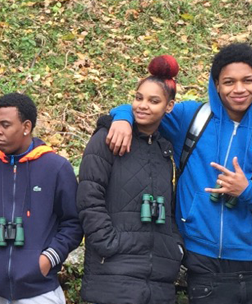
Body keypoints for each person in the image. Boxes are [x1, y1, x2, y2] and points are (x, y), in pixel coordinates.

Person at [104, 43, 252, 303]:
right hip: (202, 260)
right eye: (229, 82)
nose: (239, 89)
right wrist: (121, 118)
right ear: (217, 85)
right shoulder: (192, 117)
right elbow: (146, 107)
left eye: (248, 81)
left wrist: (246, 190)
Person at [77, 55, 185, 304]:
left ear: (169, 107)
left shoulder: (165, 151)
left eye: (153, 100)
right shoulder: (108, 139)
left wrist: (174, 247)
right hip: (113, 275)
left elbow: (170, 209)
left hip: (158, 281)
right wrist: (108, 242)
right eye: (138, 98)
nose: (143, 105)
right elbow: (88, 197)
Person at [0, 92, 82, 304]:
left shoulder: (56, 168)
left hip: (39, 290)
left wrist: (46, 260)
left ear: (26, 127)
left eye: (5, 125)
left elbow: (73, 223)